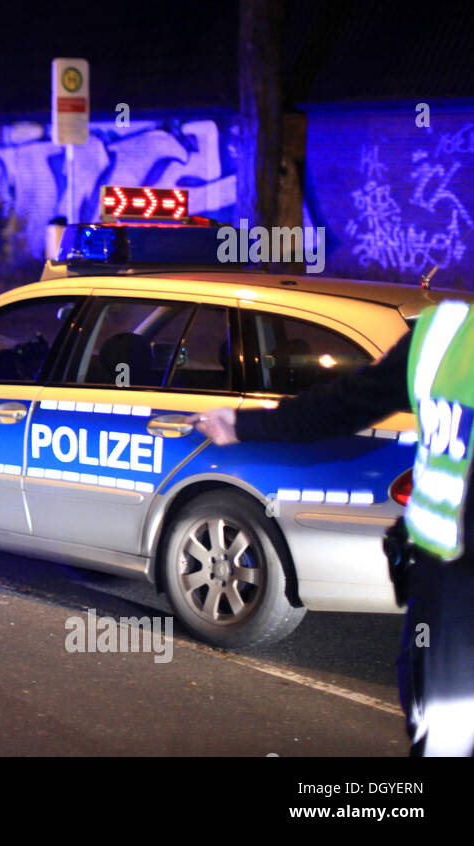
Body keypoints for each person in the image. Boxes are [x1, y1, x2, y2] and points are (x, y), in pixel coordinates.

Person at [191, 302, 474, 756]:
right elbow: (347, 402)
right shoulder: (445, 333)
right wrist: (247, 422)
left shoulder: (449, 331)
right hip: (445, 593)